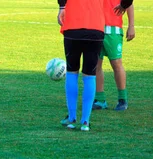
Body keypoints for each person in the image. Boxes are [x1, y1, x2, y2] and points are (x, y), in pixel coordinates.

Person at [57, 0, 133, 131]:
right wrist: (124, 5)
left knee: (72, 73)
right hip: (96, 28)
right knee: (90, 74)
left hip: (72, 26)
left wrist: (62, 7)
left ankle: (72, 118)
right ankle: (85, 121)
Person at [93, 0, 135, 111]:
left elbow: (129, 3)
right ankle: (100, 99)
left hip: (113, 30)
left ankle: (122, 99)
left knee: (116, 63)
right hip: (96, 27)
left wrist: (131, 26)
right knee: (96, 64)